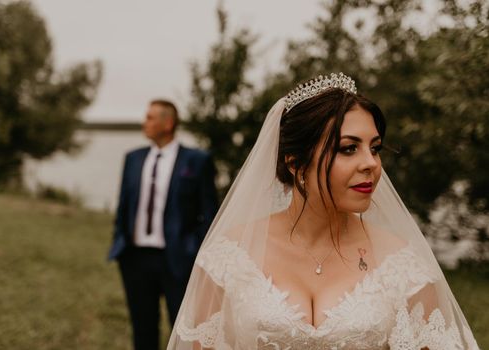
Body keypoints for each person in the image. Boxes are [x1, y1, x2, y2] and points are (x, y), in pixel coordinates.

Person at [167, 73, 480, 349]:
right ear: (295, 164)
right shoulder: (230, 256)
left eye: (374, 148)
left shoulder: (404, 265)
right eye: (348, 148)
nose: (370, 163)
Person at [108, 99, 218, 350]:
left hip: (177, 258)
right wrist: (120, 240)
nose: (144, 122)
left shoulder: (196, 161)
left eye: (150, 117)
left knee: (182, 330)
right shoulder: (133, 158)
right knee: (142, 327)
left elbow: (209, 213)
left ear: (168, 123)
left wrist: (193, 249)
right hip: (135, 258)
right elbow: (124, 205)